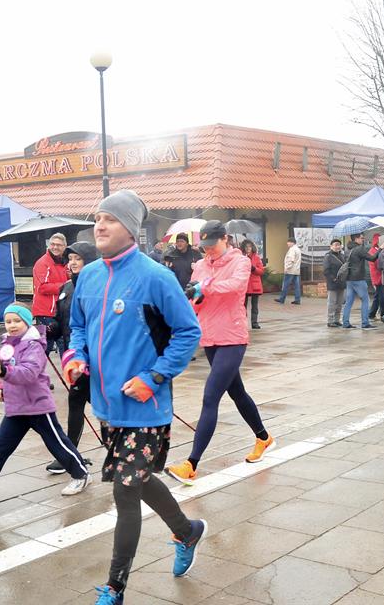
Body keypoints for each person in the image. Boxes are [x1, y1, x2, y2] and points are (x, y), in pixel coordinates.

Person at [65, 190, 207, 603]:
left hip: (146, 406)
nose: (100, 225)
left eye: (109, 219)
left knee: (125, 490)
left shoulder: (155, 277)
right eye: (97, 218)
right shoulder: (89, 276)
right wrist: (76, 357)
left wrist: (154, 376)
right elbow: (78, 327)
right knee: (139, 480)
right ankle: (187, 531)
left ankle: (115, 588)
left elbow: (188, 332)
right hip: (106, 405)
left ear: (130, 228)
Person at [166, 221, 275, 484]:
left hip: (232, 337)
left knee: (210, 396)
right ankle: (263, 437)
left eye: (212, 245)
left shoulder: (240, 262)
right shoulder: (200, 265)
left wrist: (205, 287)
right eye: (204, 246)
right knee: (237, 392)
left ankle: (191, 464)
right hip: (210, 336)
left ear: (225, 239)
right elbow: (195, 300)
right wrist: (192, 300)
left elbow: (235, 287)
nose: (208, 250)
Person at [0, 302, 90, 506]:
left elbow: (28, 373)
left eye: (17, 321)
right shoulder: (7, 344)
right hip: (16, 407)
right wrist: (1, 387)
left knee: (57, 443)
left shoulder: (34, 345)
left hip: (37, 405)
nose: (12, 325)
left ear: (27, 322)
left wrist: (3, 372)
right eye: (8, 321)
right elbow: (4, 368)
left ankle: (81, 474)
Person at [46, 241, 100, 474]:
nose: (73, 263)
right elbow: (61, 321)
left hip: (96, 357)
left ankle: (75, 455)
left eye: (78, 258)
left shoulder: (99, 287)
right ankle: (72, 455)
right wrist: (49, 329)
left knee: (96, 403)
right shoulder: (66, 288)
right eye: (70, 259)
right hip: (74, 357)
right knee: (79, 402)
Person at [32, 233, 71, 354]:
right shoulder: (42, 263)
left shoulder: (65, 263)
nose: (55, 247)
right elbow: (42, 287)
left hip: (58, 311)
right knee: (60, 341)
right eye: (52, 244)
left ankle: (35, 363)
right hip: (46, 311)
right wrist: (66, 285)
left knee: (48, 344)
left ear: (64, 247)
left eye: (59, 245)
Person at [342, 234, 379, 329]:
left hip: (349, 278)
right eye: (362, 238)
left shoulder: (347, 249)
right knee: (365, 300)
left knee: (349, 302)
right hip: (358, 278)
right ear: (356, 239)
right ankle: (365, 323)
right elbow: (372, 258)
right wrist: (380, 249)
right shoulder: (359, 249)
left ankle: (345, 323)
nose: (363, 240)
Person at [323, 239, 347, 327]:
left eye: (339, 245)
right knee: (332, 303)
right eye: (335, 245)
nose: (337, 247)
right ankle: (330, 321)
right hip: (332, 283)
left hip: (342, 283)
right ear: (331, 246)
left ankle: (337, 320)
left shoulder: (342, 256)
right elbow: (326, 270)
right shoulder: (328, 256)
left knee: (339, 303)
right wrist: (333, 278)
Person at [241, 240, 264, 329]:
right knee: (243, 306)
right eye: (246, 247)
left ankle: (254, 323)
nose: (248, 248)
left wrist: (253, 268)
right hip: (244, 284)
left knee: (255, 306)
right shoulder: (241, 257)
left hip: (254, 285)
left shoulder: (256, 258)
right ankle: (243, 323)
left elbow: (261, 271)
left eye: (249, 247)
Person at [367, 234, 384, 322]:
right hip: (377, 277)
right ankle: (383, 314)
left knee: (378, 296)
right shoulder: (373, 251)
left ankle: (372, 314)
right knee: (382, 297)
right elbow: (376, 263)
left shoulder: (378, 250)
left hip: (381, 276)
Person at [276, 238, 302, 304]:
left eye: (288, 242)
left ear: (292, 243)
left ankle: (282, 299)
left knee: (285, 285)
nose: (287, 243)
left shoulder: (292, 249)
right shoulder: (298, 249)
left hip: (290, 270)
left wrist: (287, 268)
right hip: (296, 270)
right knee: (297, 286)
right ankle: (297, 299)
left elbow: (291, 260)